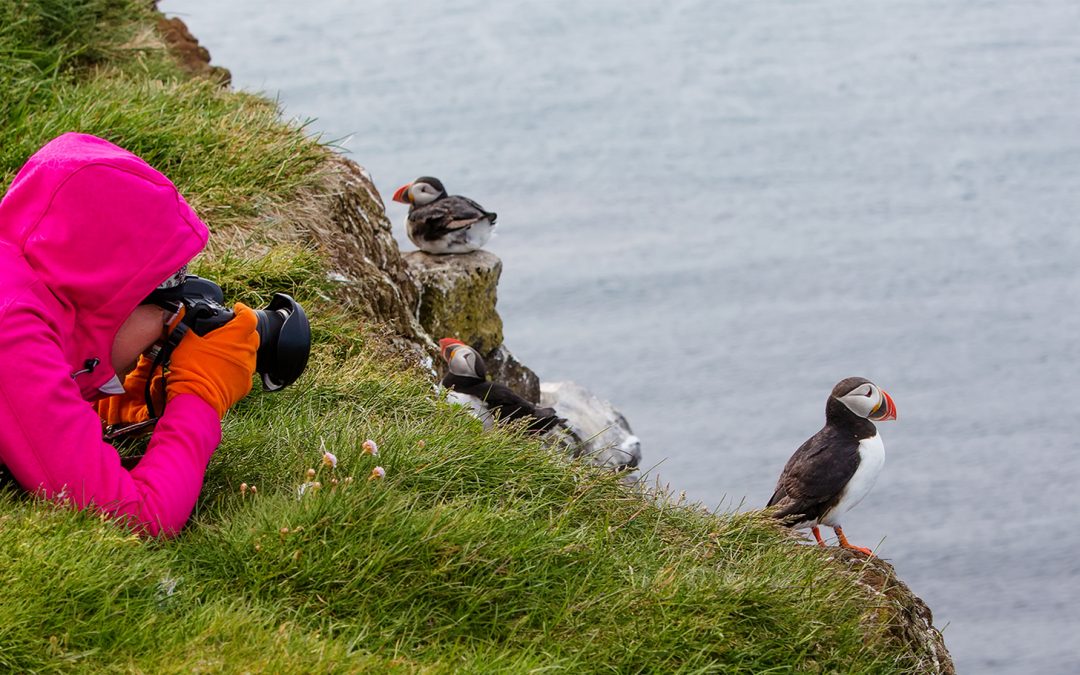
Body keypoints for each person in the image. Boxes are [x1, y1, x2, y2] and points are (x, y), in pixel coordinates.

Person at [0, 132, 259, 536]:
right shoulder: (10, 329)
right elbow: (133, 518)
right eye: (167, 308)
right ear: (114, 296)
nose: (164, 334)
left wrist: (103, 399)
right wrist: (200, 397)